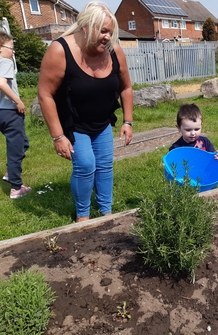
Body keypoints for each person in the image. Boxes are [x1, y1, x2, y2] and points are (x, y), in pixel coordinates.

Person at [38, 1, 133, 222]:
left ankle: (106, 213)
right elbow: (45, 95)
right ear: (85, 28)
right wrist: (58, 136)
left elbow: (126, 87)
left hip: (101, 122)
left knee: (104, 165)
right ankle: (83, 216)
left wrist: (128, 121)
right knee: (86, 165)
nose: (108, 37)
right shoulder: (60, 50)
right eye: (103, 31)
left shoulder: (114, 51)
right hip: (74, 124)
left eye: (110, 32)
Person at [0, 31, 31, 199]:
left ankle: (10, 173)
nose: (13, 51)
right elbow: (1, 83)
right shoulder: (5, 61)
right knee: (16, 148)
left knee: (23, 143)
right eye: (11, 47)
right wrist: (17, 101)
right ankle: (16, 188)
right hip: (9, 112)